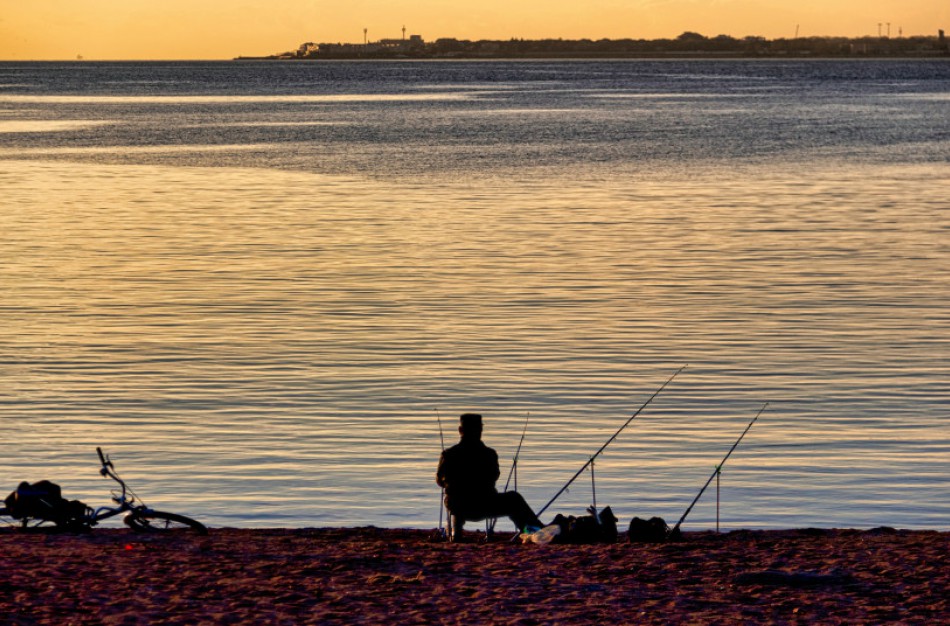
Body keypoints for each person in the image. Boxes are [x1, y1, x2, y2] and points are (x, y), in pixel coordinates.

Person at [436, 413, 543, 540]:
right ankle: (533, 532)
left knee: (454, 498)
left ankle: (456, 533)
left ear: (460, 430)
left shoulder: (449, 454)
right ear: (481, 430)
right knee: (514, 499)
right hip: (485, 506)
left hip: (458, 505)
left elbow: (439, 480)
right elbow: (494, 476)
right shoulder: (489, 454)